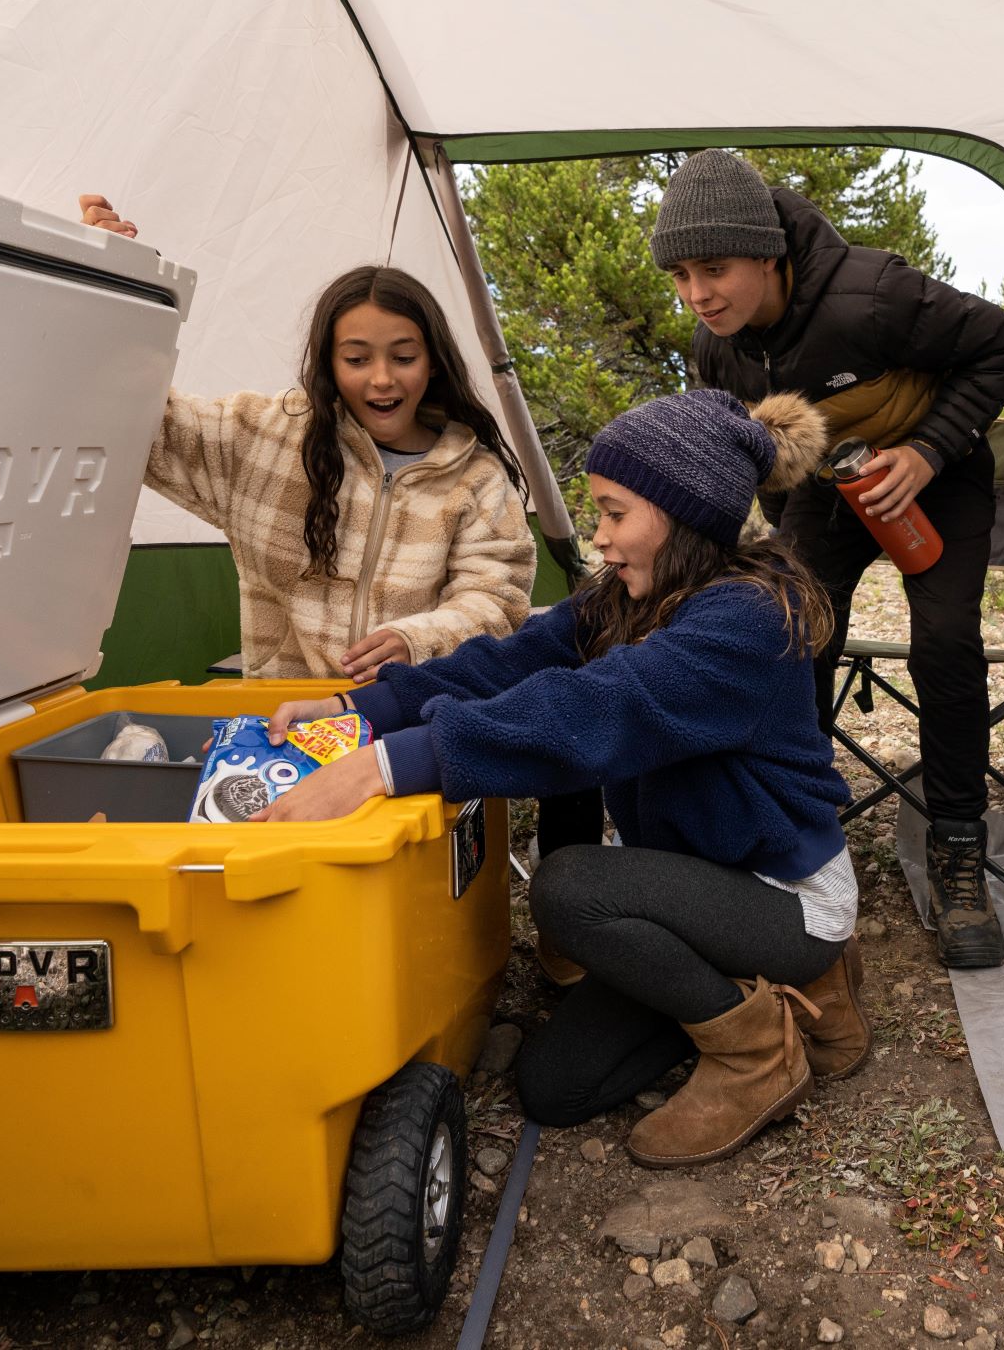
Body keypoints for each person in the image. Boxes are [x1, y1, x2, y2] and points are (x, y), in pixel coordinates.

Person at [255, 389, 870, 1168]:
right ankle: (746, 991)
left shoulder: (745, 620)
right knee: (556, 1088)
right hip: (692, 885)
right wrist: (359, 710)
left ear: (682, 514)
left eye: (616, 514)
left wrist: (387, 768)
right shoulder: (628, 597)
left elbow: (598, 708)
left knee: (573, 886)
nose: (602, 539)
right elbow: (513, 662)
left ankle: (759, 1052)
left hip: (782, 896)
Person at [652, 151, 1004, 969]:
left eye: (714, 270)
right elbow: (759, 455)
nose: (697, 294)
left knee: (948, 644)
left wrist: (928, 451)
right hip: (832, 486)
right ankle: (799, 833)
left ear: (767, 255)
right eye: (680, 275)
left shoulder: (871, 296)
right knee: (791, 632)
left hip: (940, 478)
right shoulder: (715, 349)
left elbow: (1000, 343)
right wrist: (785, 544)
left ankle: (959, 857)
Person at [75, 193, 536, 683]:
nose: (382, 379)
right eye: (357, 360)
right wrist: (106, 276)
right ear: (329, 366)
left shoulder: (476, 476)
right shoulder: (264, 438)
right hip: (283, 724)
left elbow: (498, 599)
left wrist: (417, 639)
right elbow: (139, 420)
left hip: (405, 725)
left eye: (403, 357)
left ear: (434, 362)